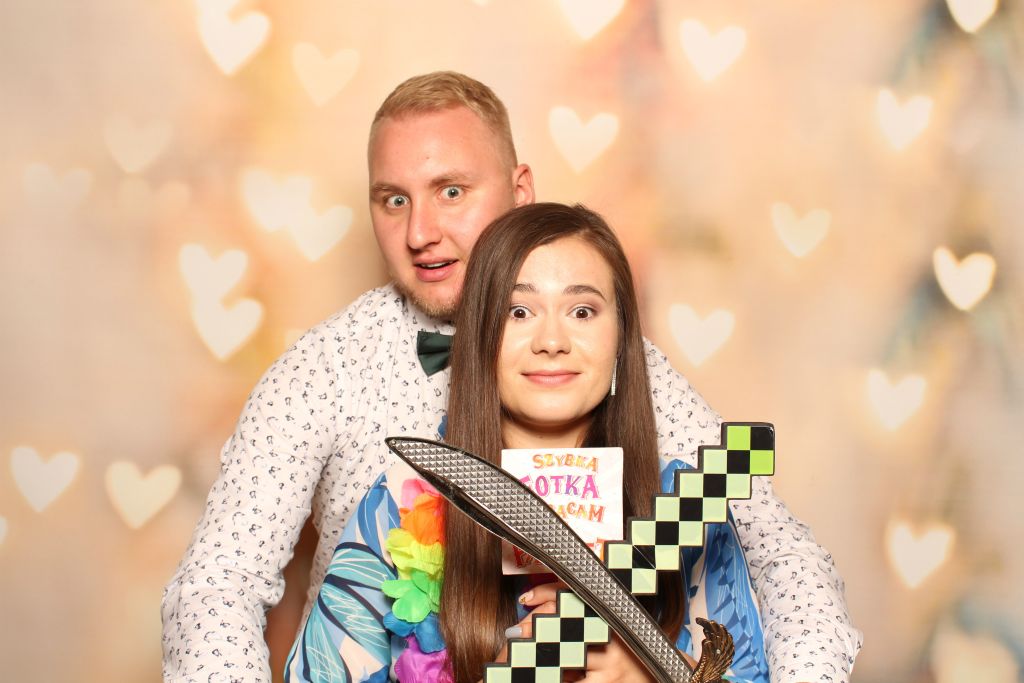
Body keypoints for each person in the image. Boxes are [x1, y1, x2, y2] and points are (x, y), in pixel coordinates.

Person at [162, 72, 861, 683]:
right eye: (394, 200)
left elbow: (779, 551)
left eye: (452, 190)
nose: (421, 232)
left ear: (521, 192)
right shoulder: (323, 373)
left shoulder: (608, 362)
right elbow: (218, 585)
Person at [286, 202, 774, 683]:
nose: (552, 341)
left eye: (582, 311)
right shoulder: (398, 503)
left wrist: (652, 673)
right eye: (519, 311)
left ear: (621, 339)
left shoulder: (684, 499)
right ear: (480, 337)